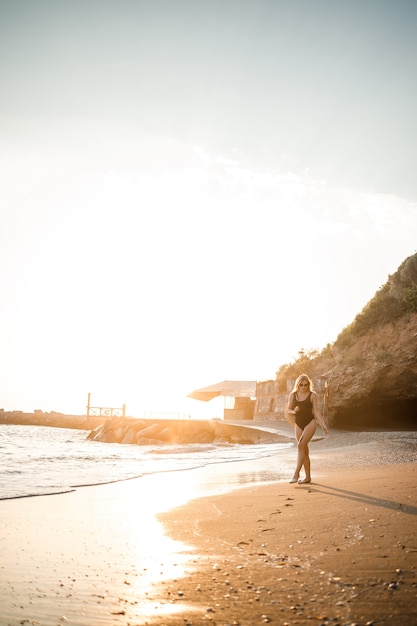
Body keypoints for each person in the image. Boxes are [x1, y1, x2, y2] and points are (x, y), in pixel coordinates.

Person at [285, 374, 328, 484]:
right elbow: (288, 410)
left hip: (310, 422)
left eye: (306, 385)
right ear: (297, 385)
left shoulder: (312, 395)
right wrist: (294, 411)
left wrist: (323, 425)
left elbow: (316, 411)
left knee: (300, 445)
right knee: (304, 450)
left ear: (309, 385)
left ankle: (296, 473)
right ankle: (308, 477)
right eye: (301, 385)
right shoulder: (293, 395)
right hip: (298, 424)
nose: (304, 387)